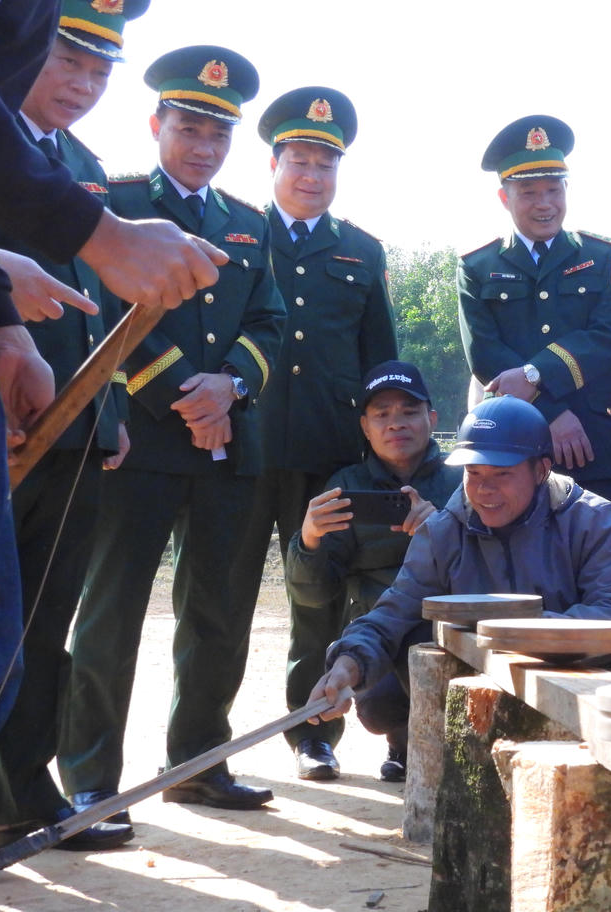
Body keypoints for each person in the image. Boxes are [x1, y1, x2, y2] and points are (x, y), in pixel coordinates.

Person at [0, 0, 223, 839]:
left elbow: (100, 320)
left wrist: (107, 415)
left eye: (97, 70)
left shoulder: (82, 168)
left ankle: (22, 792)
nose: (79, 84)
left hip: (69, 426)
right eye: (64, 59)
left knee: (36, 625)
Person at [58, 45, 285, 819]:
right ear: (157, 123)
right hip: (142, 443)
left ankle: (198, 762)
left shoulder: (248, 225)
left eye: (219, 135)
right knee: (111, 612)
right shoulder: (113, 202)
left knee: (218, 612)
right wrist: (184, 394)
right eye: (189, 128)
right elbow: (102, 305)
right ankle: (89, 777)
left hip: (230, 443)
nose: (204, 147)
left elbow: (270, 321)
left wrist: (232, 385)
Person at [228, 86, 398, 784]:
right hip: (238, 451)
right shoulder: (235, 235)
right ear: (273, 164)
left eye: (325, 164)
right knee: (220, 597)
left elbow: (380, 360)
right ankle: (197, 745)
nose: (312, 175)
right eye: (299, 159)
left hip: (327, 457)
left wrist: (380, 454)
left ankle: (312, 732)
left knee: (317, 602)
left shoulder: (361, 251)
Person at [305, 395, 611, 721]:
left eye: (502, 474)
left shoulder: (590, 518)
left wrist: (518, 635)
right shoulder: (442, 530)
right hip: (478, 680)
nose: (484, 490)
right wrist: (346, 667)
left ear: (541, 471)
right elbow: (391, 615)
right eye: (474, 474)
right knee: (381, 698)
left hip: (573, 670)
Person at [284, 361, 461, 782]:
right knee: (378, 705)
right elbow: (314, 594)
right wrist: (308, 539)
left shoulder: (464, 479)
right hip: (380, 626)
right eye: (381, 414)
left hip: (450, 618)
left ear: (432, 420)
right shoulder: (344, 485)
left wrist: (441, 530)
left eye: (409, 412)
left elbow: (496, 565)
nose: (395, 423)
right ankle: (401, 739)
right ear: (364, 426)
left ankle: (432, 745)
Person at [457, 114, 611, 523]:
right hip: (512, 449)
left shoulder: (603, 255)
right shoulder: (477, 266)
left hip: (594, 441)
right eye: (529, 192)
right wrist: (550, 412)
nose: (544, 204)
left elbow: (609, 337)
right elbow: (483, 354)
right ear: (505, 197)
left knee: (601, 567)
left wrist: (535, 374)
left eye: (553, 190)